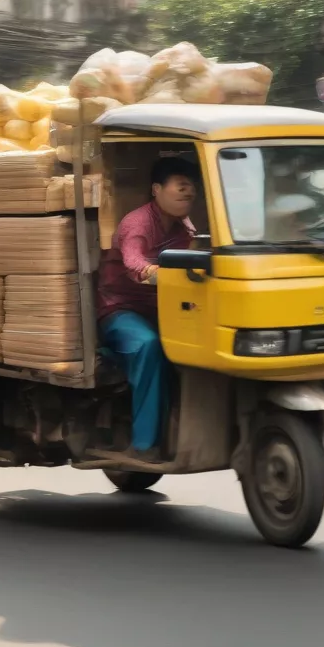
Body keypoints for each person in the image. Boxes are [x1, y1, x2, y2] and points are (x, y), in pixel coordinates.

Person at [96, 157, 200, 461]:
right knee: (149, 346)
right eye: (179, 184)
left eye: (191, 185)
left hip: (161, 309)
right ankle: (144, 446)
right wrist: (167, 274)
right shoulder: (137, 223)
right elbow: (134, 264)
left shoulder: (184, 228)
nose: (187, 191)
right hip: (120, 310)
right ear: (156, 189)